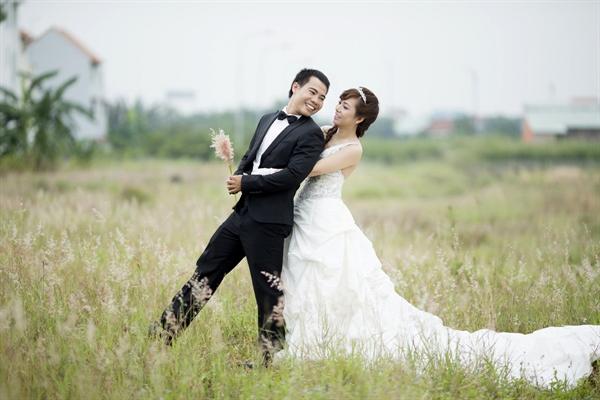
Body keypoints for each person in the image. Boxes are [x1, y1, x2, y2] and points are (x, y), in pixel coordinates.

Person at [274, 86, 600, 387]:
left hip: (327, 220)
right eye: (338, 104)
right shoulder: (322, 133)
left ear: (359, 118)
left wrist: (276, 167)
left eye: (345, 107)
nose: (337, 109)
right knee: (303, 278)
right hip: (303, 214)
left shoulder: (353, 149)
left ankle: (322, 340)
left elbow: (308, 168)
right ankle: (300, 334)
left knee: (333, 279)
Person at [150, 68, 330, 365]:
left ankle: (269, 360)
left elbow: (293, 176)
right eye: (313, 92)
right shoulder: (267, 118)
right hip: (242, 214)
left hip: (270, 222)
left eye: (322, 98)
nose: (317, 100)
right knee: (205, 271)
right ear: (295, 87)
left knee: (267, 291)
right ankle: (161, 336)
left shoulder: (310, 133)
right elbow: (251, 156)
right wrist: (238, 175)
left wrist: (247, 183)